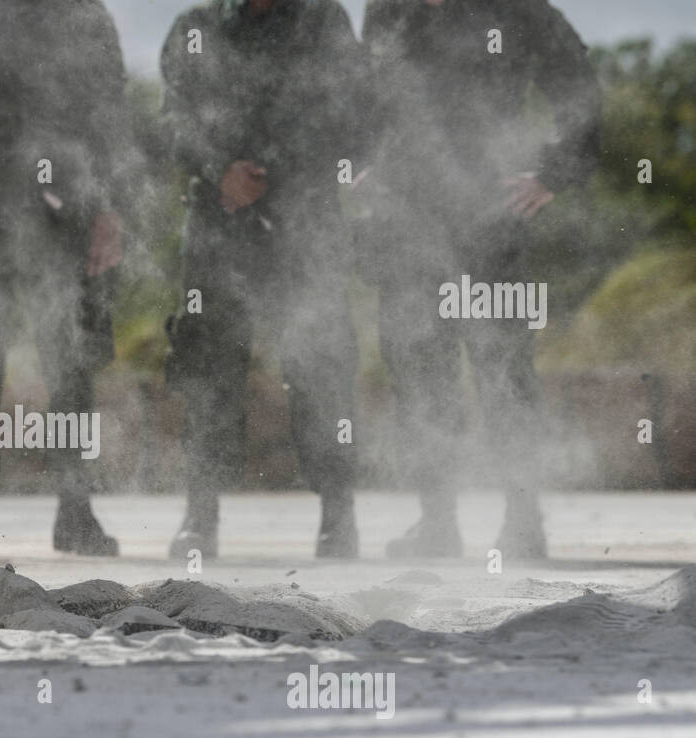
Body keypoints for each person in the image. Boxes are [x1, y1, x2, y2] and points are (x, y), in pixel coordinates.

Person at [361, 0, 601, 558]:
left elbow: (577, 83)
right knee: (419, 373)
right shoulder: (386, 10)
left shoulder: (518, 9)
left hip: (489, 219)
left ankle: (523, 522)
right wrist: (361, 160)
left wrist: (557, 170)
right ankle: (438, 524)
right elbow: (360, 98)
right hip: (405, 219)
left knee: (504, 372)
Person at [160, 0, 370, 560]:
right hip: (217, 227)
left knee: (321, 366)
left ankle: (338, 518)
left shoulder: (324, 23)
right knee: (206, 370)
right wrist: (220, 168)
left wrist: (275, 169)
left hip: (305, 225)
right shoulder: (195, 29)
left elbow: (355, 116)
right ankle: (199, 518)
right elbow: (173, 119)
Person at [0, 0, 131, 558]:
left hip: (70, 219)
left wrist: (109, 212)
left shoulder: (87, 18)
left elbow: (110, 121)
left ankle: (75, 509)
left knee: (74, 367)